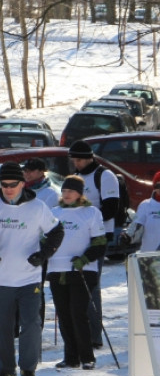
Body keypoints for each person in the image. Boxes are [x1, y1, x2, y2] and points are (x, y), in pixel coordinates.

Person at [0, 162, 64, 376]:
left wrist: (43, 255)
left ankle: (28, 369)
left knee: (31, 324)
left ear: (23, 183)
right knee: (3, 329)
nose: (8, 188)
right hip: (0, 279)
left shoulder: (38, 207)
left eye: (13, 184)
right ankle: (6, 371)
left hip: (29, 279)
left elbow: (57, 231)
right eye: (3, 185)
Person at [48, 176, 107, 370]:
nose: (66, 195)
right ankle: (71, 357)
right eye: (64, 191)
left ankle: (87, 356)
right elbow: (44, 238)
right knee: (64, 314)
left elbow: (99, 243)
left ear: (80, 194)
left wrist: (84, 258)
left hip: (82, 270)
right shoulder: (54, 213)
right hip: (57, 270)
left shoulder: (91, 213)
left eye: (71, 191)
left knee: (77, 312)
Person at [69, 140, 120, 349]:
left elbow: (111, 208)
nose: (77, 163)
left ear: (90, 157)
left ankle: (94, 335)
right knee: (77, 284)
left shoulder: (104, 176)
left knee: (91, 284)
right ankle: (80, 331)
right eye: (74, 160)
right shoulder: (76, 178)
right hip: (77, 236)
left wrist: (87, 216)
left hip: (98, 236)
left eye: (80, 160)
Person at [122, 171, 160, 252]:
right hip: (149, 256)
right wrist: (128, 236)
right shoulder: (146, 205)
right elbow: (137, 225)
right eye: (158, 185)